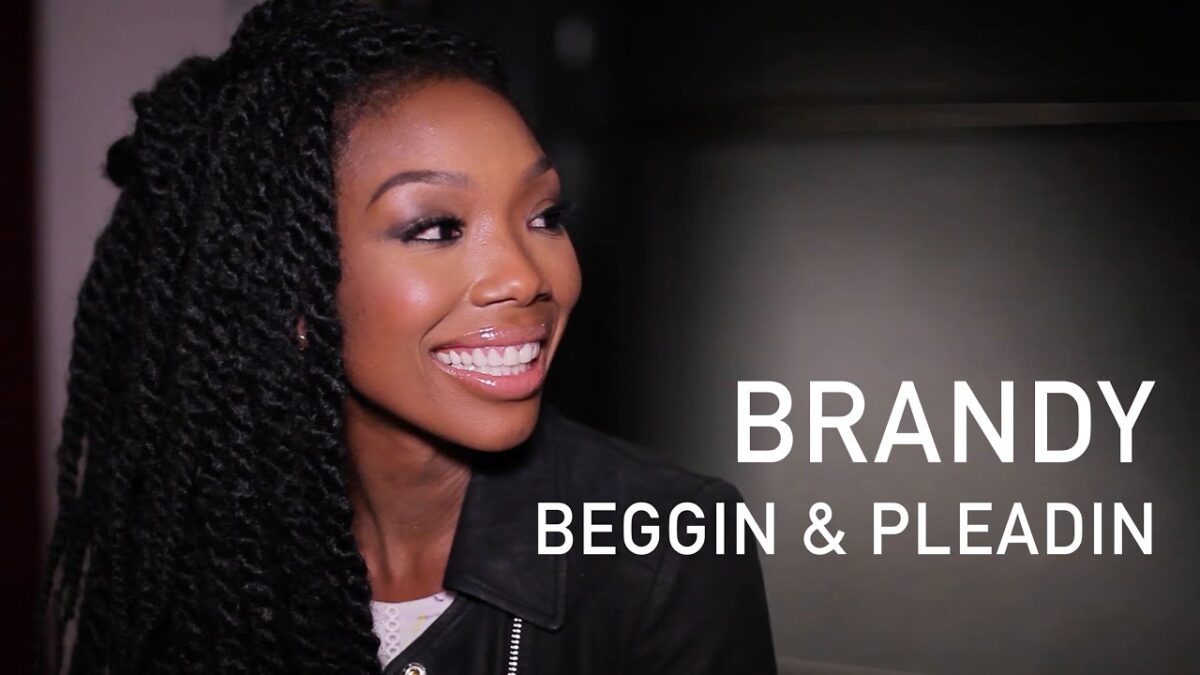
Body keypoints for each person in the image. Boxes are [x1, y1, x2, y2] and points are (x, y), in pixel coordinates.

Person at [36, 0, 778, 673]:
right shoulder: (200, 552)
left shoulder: (668, 547)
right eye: (436, 227)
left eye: (544, 216)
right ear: (289, 288)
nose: (525, 276)